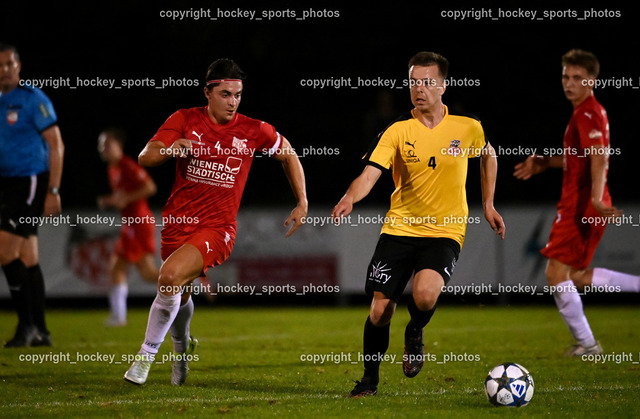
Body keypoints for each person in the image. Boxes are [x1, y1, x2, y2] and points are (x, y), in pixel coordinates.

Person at [124, 58, 308, 386]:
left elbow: (288, 153)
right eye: (225, 94)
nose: (233, 102)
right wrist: (170, 149)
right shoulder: (184, 119)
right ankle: (182, 348)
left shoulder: (254, 130)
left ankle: (144, 357)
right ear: (207, 93)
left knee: (169, 277)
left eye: (238, 95)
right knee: (178, 292)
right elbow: (145, 156)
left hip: (217, 229)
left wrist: (302, 201)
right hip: (178, 224)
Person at [332, 51, 505, 397]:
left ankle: (414, 331)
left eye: (427, 82)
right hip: (400, 229)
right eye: (413, 82)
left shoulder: (467, 126)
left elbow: (488, 154)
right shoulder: (397, 129)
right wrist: (350, 197)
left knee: (425, 296)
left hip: (445, 230)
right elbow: (370, 174)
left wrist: (488, 203)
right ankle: (369, 380)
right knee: (380, 311)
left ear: (443, 86)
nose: (419, 89)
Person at [514, 49, 640, 356]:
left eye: (577, 78)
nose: (569, 83)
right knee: (575, 276)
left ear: (592, 80)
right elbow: (580, 158)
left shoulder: (586, 113)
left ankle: (588, 344)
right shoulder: (588, 112)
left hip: (581, 206)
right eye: (565, 77)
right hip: (585, 204)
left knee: (556, 274)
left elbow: (599, 156)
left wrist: (594, 198)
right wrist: (547, 162)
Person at [0, 43, 64, 347]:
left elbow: (56, 144)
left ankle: (26, 326)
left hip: (31, 182)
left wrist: (53, 190)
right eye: (0, 65)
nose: (4, 70)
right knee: (27, 258)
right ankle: (41, 330)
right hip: (7, 183)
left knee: (4, 251)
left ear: (19, 66)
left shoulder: (33, 99)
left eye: (9, 64)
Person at [97, 127, 159, 327]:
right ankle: (118, 317)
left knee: (141, 272)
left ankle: (185, 281)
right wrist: (112, 200)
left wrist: (125, 198)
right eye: (101, 145)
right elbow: (122, 198)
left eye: (107, 144)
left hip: (138, 224)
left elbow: (150, 187)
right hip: (131, 224)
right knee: (123, 269)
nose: (103, 148)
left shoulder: (127, 166)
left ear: (119, 146)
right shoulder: (113, 169)